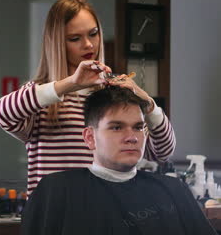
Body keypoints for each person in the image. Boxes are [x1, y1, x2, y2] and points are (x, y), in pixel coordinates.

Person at [0, 0, 175, 195]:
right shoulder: (41, 95)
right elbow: (3, 114)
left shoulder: (113, 94)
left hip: (105, 211)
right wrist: (71, 83)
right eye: (75, 38)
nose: (88, 44)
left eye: (93, 33)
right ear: (57, 43)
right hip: (54, 215)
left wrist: (148, 104)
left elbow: (162, 152)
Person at [21, 86, 216, 235]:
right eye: (116, 127)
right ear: (90, 137)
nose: (132, 137)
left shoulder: (173, 190)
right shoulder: (56, 191)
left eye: (138, 127)